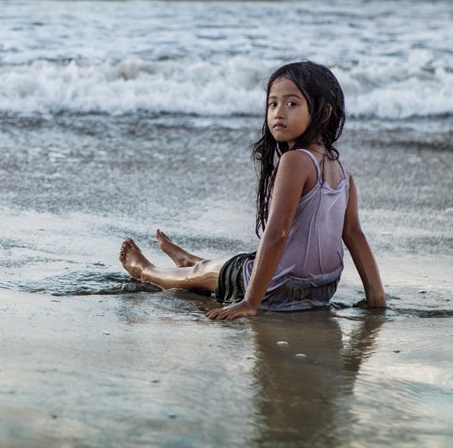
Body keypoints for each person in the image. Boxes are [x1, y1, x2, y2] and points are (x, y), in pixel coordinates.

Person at [118, 60, 385, 320]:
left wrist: (249, 303)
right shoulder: (342, 169)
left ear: (323, 113)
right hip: (321, 290)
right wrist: (376, 297)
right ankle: (187, 258)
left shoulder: (295, 161)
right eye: (273, 104)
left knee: (199, 274)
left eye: (292, 103)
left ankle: (146, 270)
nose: (279, 112)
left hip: (278, 287)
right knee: (228, 265)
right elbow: (354, 234)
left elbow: (278, 233)